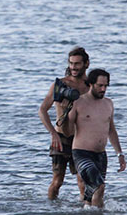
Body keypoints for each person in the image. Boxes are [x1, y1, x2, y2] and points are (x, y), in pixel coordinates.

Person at [67, 68, 126, 208]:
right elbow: (67, 130)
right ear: (91, 84)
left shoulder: (108, 103)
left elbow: (111, 130)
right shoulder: (78, 103)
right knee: (99, 186)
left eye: (106, 86)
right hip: (81, 153)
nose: (103, 89)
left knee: (91, 194)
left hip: (101, 155)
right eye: (100, 85)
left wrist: (120, 153)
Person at [38, 47, 91, 200]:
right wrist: (53, 134)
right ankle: (51, 211)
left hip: (81, 140)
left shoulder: (90, 87)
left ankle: (86, 213)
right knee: (57, 181)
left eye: (77, 64)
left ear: (86, 64)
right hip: (60, 138)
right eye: (71, 63)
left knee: (83, 181)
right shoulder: (60, 85)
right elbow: (42, 110)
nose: (73, 67)